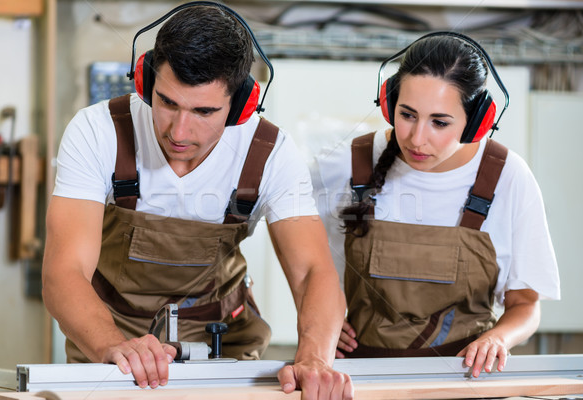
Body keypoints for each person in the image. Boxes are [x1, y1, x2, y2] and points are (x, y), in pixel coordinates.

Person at [42, 3, 353, 398]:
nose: (179, 131)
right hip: (112, 343)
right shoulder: (98, 131)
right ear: (145, 79)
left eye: (204, 111)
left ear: (240, 105)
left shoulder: (270, 153)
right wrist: (110, 344)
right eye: (167, 102)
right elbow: (63, 271)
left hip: (225, 346)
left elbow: (312, 271)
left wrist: (315, 358)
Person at [310, 32, 560, 378]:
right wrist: (316, 330)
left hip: (462, 382)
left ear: (477, 122)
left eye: (439, 122)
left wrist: (498, 339)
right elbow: (308, 268)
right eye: (407, 115)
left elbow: (526, 304)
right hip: (360, 379)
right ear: (388, 103)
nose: (416, 138)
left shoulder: (507, 177)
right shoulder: (344, 164)